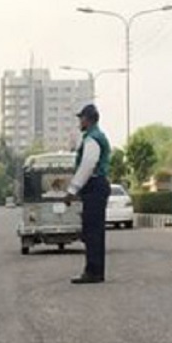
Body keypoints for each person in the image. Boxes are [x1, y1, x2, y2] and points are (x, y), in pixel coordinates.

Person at [64, 103, 112, 284]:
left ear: (88, 119)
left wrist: (72, 190)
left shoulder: (92, 139)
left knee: (92, 231)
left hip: (94, 185)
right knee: (94, 230)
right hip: (97, 186)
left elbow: (87, 166)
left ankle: (93, 271)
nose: (79, 121)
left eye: (81, 118)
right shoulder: (95, 136)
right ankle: (95, 270)